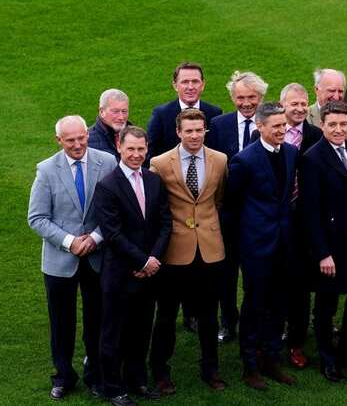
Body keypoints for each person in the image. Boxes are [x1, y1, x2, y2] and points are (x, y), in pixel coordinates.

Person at [28, 116, 117, 400]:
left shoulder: (108, 162)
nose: (78, 144)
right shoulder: (46, 170)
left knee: (97, 319)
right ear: (59, 141)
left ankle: (96, 375)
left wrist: (94, 238)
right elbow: (37, 218)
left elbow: (116, 211)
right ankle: (63, 375)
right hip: (59, 261)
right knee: (61, 322)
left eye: (81, 138)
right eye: (70, 141)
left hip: (97, 256)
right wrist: (70, 242)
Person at [148, 109, 228, 395]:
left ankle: (211, 370)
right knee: (167, 316)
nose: (195, 136)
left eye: (199, 130)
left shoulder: (220, 160)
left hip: (210, 250)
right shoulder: (159, 163)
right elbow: (156, 208)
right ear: (178, 132)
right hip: (174, 251)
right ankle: (159, 371)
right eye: (189, 131)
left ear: (205, 130)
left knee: (208, 316)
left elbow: (218, 200)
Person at [94, 126, 172, 406]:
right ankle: (113, 388)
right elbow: (112, 233)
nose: (137, 154)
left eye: (141, 149)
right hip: (120, 273)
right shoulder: (107, 186)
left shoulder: (154, 180)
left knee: (142, 329)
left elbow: (165, 222)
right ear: (119, 147)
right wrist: (142, 261)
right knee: (114, 333)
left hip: (149, 272)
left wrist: (153, 260)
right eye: (131, 149)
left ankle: (137, 380)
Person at [226, 103, 298, 390]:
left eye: (284, 125)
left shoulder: (291, 153)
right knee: (255, 305)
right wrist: (242, 242)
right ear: (260, 127)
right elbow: (231, 205)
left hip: (284, 242)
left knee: (279, 304)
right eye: (276, 126)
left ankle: (271, 359)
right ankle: (249, 365)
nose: (282, 130)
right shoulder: (244, 160)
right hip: (256, 246)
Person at [300, 101, 347, 382]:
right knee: (326, 304)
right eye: (332, 124)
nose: (338, 129)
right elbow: (310, 211)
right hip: (330, 246)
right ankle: (328, 359)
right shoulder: (312, 158)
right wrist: (322, 253)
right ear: (322, 125)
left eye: (343, 124)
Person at [206, 70, 268, 344]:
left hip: (259, 213)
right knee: (227, 273)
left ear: (261, 97)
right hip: (228, 213)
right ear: (233, 97)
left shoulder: (270, 123)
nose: (246, 103)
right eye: (241, 97)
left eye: (252, 97)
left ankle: (257, 321)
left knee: (258, 272)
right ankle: (228, 321)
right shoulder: (219, 125)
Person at [280, 82, 323, 369]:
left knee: (301, 288)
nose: (297, 108)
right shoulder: (270, 133)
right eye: (292, 103)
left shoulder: (316, 135)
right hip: (276, 222)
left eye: (302, 104)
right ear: (282, 105)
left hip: (305, 221)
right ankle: (268, 342)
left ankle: (296, 343)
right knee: (273, 285)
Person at [147, 61, 223, 159]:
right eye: (185, 82)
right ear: (175, 85)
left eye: (195, 82)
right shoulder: (161, 115)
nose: (190, 87)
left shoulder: (215, 113)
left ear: (203, 85)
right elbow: (150, 151)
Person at [307, 69, 347, 148]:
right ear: (317, 90)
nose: (336, 97)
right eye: (331, 91)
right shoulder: (305, 117)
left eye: (340, 91)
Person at [88, 89, 132, 160]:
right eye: (115, 111)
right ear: (102, 112)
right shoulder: (87, 140)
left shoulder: (138, 136)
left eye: (124, 111)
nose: (121, 117)